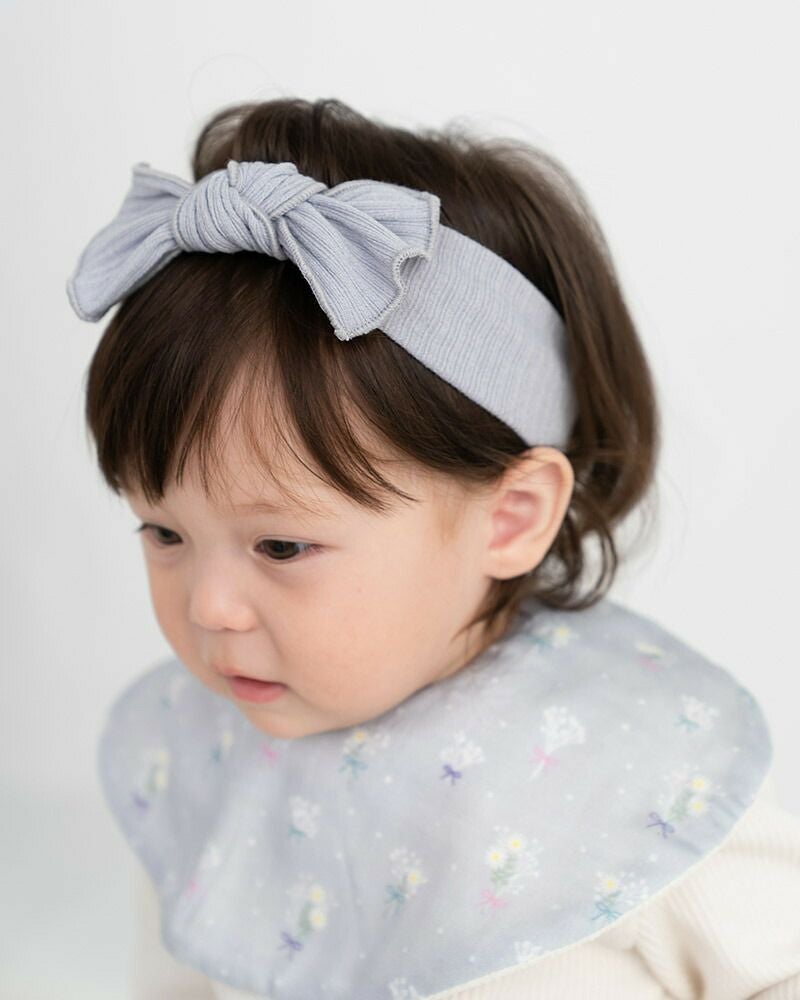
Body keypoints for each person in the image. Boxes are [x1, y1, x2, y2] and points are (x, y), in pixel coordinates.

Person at [67, 97, 800, 999]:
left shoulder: (638, 779)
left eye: (282, 545)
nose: (208, 606)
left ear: (511, 517)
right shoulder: (198, 752)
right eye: (164, 531)